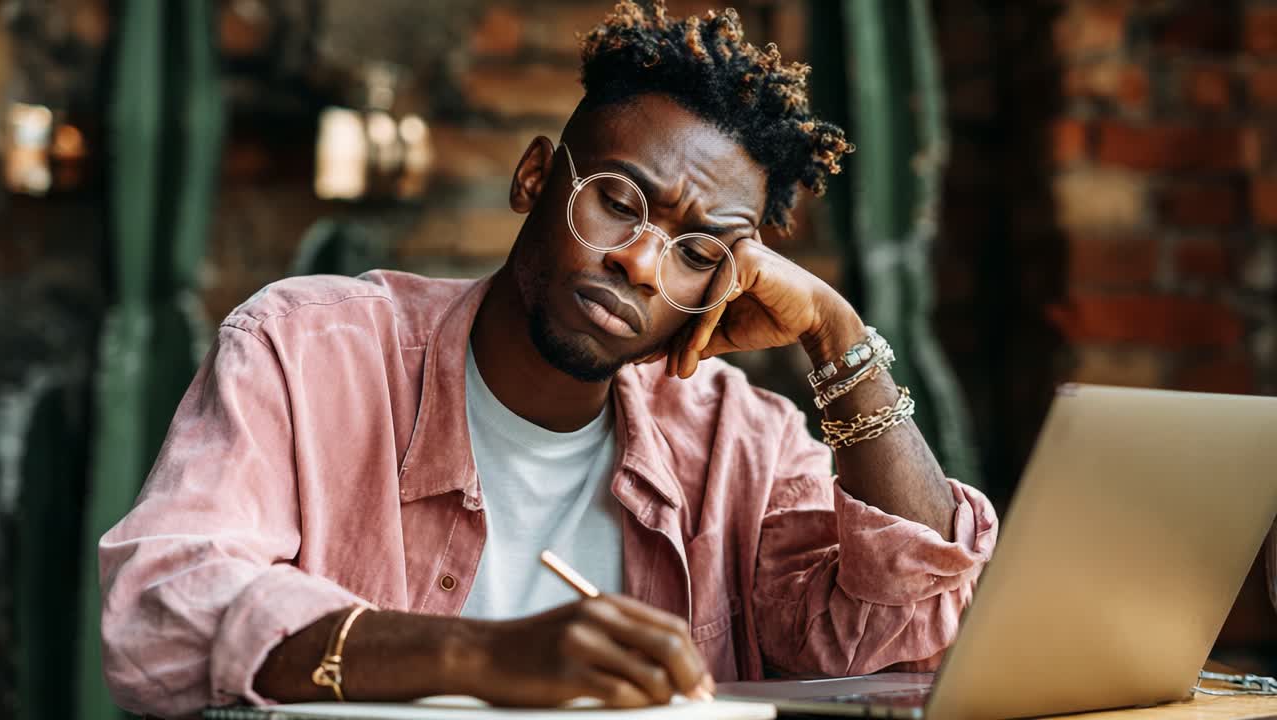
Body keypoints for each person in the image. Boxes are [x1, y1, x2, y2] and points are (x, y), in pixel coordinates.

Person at [98, 2, 998, 717]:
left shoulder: (740, 440)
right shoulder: (307, 351)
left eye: (698, 255)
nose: (641, 263)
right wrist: (489, 659)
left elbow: (905, 638)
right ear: (536, 177)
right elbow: (164, 611)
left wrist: (838, 337)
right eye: (618, 201)